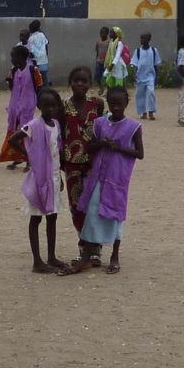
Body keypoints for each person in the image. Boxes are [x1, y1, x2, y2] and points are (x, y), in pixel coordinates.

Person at [70, 84, 144, 274]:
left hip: (117, 179)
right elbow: (90, 147)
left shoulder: (133, 127)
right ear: (108, 104)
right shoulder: (100, 123)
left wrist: (117, 148)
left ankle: (114, 256)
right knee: (92, 213)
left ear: (127, 103)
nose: (117, 107)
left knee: (116, 216)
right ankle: (86, 255)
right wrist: (102, 143)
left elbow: (139, 153)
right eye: (113, 104)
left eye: (120, 104)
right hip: (98, 178)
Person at [7, 86, 71, 273]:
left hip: (54, 176)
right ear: (39, 106)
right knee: (36, 218)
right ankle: (37, 261)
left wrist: (60, 174)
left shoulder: (56, 125)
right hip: (40, 178)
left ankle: (51, 256)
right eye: (46, 106)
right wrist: (30, 156)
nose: (50, 109)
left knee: (53, 217)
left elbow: (57, 151)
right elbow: (14, 139)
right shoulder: (34, 125)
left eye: (54, 106)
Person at [61, 65, 103, 261]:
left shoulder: (98, 104)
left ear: (90, 84)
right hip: (71, 164)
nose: (79, 83)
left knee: (94, 204)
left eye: (83, 80)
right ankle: (83, 245)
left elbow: (105, 130)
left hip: (94, 163)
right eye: (75, 80)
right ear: (69, 83)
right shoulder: (62, 107)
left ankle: (95, 248)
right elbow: (58, 134)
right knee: (76, 206)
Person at [0, 43, 42, 165]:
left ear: (21, 57)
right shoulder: (14, 70)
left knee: (26, 131)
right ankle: (17, 157)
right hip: (15, 106)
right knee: (14, 130)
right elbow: (13, 88)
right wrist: (10, 82)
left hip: (27, 105)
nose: (12, 60)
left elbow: (39, 87)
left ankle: (29, 159)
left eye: (13, 57)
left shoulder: (33, 70)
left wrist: (40, 102)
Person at [132, 32, 161, 119]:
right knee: (139, 94)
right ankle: (143, 112)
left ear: (149, 39)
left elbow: (155, 64)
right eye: (141, 38)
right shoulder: (137, 51)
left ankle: (151, 112)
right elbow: (135, 64)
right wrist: (135, 74)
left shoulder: (153, 51)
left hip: (150, 76)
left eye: (143, 38)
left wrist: (156, 77)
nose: (141, 40)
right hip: (140, 77)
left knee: (151, 93)